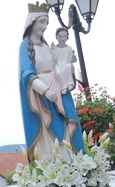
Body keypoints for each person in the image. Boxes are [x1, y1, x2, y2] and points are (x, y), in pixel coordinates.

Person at [19, 2, 83, 162]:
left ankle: (70, 163)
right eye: (42, 22)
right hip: (42, 96)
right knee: (48, 131)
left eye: (46, 22)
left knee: (66, 127)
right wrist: (44, 90)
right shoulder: (25, 46)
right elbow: (26, 73)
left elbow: (58, 65)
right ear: (32, 22)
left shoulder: (48, 46)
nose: (45, 26)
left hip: (59, 91)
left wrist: (68, 66)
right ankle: (55, 165)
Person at [52, 27, 76, 94]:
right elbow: (54, 58)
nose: (62, 38)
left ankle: (69, 83)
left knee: (68, 66)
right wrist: (53, 50)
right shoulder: (55, 48)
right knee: (58, 72)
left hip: (66, 62)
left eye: (64, 36)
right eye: (60, 36)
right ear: (56, 37)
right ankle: (62, 87)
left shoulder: (69, 48)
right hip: (58, 63)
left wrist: (73, 58)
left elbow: (71, 60)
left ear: (67, 37)